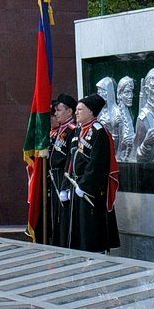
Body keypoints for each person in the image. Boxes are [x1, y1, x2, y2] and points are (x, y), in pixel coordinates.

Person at [64, 93, 121, 253]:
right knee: (78, 227)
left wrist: (85, 185)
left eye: (80, 109)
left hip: (91, 190)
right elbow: (71, 158)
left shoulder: (99, 132)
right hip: (76, 186)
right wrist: (66, 186)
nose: (76, 112)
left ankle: (95, 254)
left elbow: (97, 163)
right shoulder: (78, 131)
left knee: (91, 227)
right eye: (76, 109)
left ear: (90, 111)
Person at [47, 95, 78, 246]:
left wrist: (66, 185)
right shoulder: (61, 129)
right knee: (56, 214)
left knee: (63, 215)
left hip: (62, 177)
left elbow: (69, 159)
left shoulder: (72, 130)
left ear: (69, 111)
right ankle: (57, 242)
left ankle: (64, 244)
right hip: (55, 176)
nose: (56, 113)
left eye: (59, 110)